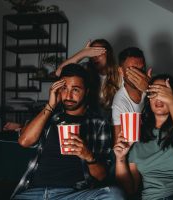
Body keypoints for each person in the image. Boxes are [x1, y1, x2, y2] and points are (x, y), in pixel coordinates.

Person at [11, 64, 124, 200]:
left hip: (72, 194)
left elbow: (101, 176)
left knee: (115, 195)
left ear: (86, 91)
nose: (68, 95)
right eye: (64, 88)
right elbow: (24, 141)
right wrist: (51, 105)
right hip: (35, 192)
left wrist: (88, 156)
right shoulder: (47, 116)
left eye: (75, 90)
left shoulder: (98, 123)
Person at [56, 39, 121, 119]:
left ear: (108, 54)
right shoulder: (85, 69)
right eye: (92, 54)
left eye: (98, 53)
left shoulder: (119, 73)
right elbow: (59, 72)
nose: (95, 57)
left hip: (111, 122)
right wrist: (83, 53)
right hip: (89, 121)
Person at [112, 47, 152, 142]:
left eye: (141, 69)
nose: (138, 75)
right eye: (132, 70)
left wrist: (150, 89)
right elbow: (118, 145)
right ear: (121, 71)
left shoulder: (153, 83)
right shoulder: (120, 102)